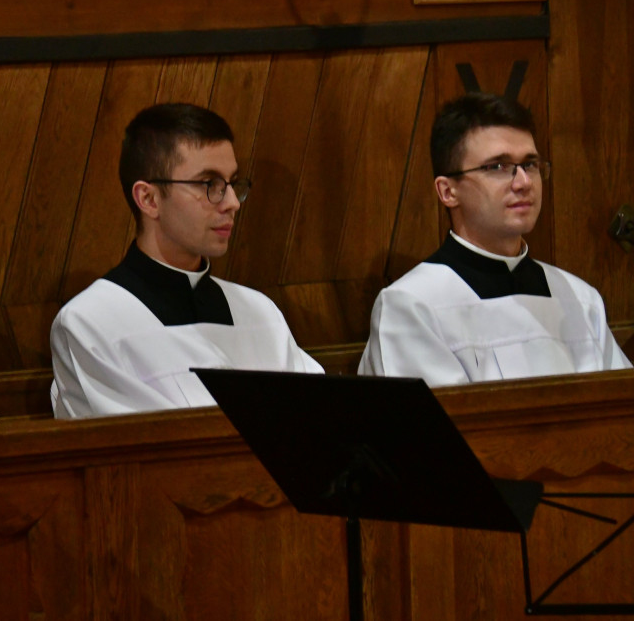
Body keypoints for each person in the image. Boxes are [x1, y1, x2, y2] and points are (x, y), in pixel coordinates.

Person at [50, 103, 323, 418]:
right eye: (209, 185)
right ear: (149, 199)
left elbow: (321, 418)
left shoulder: (259, 311)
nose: (232, 203)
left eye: (233, 183)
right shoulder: (91, 323)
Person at [359, 92, 632, 386]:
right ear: (448, 191)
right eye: (497, 167)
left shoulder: (579, 298)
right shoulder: (412, 306)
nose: (523, 182)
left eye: (530, 164)